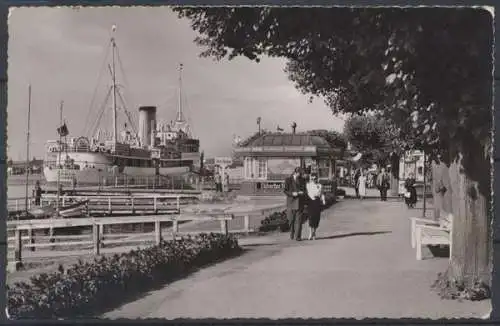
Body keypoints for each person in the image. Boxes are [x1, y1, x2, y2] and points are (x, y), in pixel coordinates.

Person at [284, 167, 306, 241]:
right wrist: (292, 193)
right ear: (295, 173)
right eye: (299, 174)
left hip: (300, 203)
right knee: (291, 220)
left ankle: (298, 236)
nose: (300, 175)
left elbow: (305, 190)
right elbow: (285, 191)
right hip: (291, 203)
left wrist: (302, 192)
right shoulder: (288, 180)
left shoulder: (302, 180)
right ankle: (292, 232)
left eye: (301, 174)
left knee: (299, 221)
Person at [306, 173, 326, 240]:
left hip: (317, 202)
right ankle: (310, 233)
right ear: (310, 178)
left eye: (315, 178)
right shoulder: (308, 185)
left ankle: (314, 232)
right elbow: (307, 194)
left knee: (316, 218)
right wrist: (311, 197)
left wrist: (323, 200)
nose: (314, 180)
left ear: (317, 178)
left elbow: (322, 194)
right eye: (312, 178)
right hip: (311, 202)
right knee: (311, 217)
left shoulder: (320, 185)